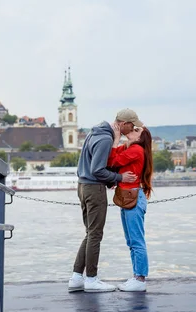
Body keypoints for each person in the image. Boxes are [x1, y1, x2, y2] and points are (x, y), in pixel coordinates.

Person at [68, 109, 144, 293]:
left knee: (90, 233)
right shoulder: (105, 139)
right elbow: (98, 170)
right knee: (95, 235)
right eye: (131, 125)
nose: (132, 129)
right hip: (94, 189)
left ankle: (77, 277)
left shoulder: (94, 133)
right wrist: (119, 178)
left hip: (83, 186)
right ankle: (92, 279)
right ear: (123, 123)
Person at [108, 125, 153, 292]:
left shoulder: (136, 150)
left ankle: (140, 279)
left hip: (133, 196)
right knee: (131, 240)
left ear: (141, 137)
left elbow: (112, 161)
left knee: (136, 241)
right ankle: (136, 276)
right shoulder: (131, 147)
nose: (132, 130)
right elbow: (111, 158)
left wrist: (116, 140)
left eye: (137, 130)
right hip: (128, 196)